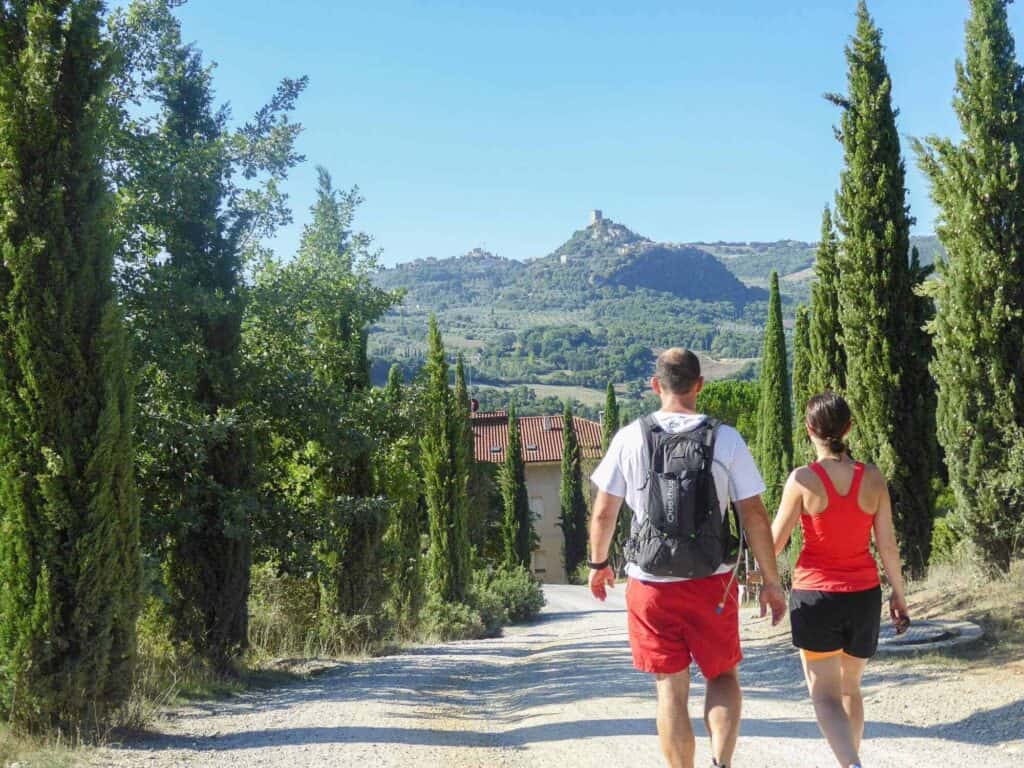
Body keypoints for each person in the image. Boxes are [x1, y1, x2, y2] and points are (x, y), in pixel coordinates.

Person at [589, 348, 787, 768]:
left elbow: (605, 511)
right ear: (699, 385)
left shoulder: (629, 437)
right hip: (712, 581)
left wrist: (598, 564)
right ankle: (721, 760)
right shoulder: (726, 438)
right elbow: (753, 514)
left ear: (656, 385)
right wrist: (771, 583)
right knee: (722, 676)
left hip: (650, 585)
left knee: (670, 688)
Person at [771, 392, 911, 768]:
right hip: (864, 597)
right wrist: (899, 595)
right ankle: (851, 759)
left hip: (815, 597)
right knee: (851, 689)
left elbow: (774, 543)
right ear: (849, 428)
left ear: (809, 429)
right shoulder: (874, 478)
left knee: (825, 697)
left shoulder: (802, 480)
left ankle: (851, 764)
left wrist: (762, 575)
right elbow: (888, 546)